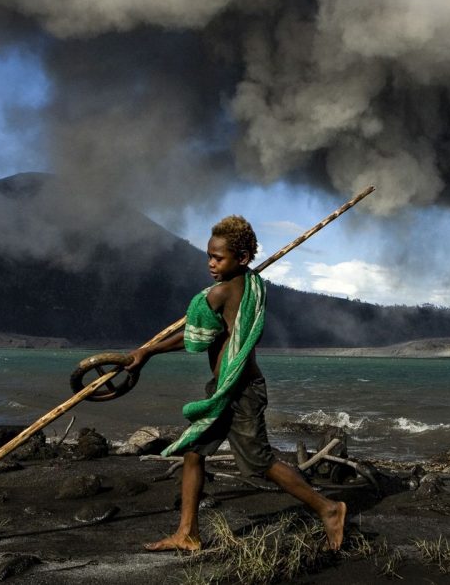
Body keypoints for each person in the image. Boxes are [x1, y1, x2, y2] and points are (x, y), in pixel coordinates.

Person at [125, 215, 346, 552]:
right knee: (194, 451)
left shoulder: (221, 292)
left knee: (260, 462)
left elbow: (194, 338)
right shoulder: (251, 283)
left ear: (241, 258)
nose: (211, 264)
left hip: (240, 391)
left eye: (218, 258)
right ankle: (187, 533)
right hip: (225, 389)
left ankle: (328, 509)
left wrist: (148, 351)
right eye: (209, 256)